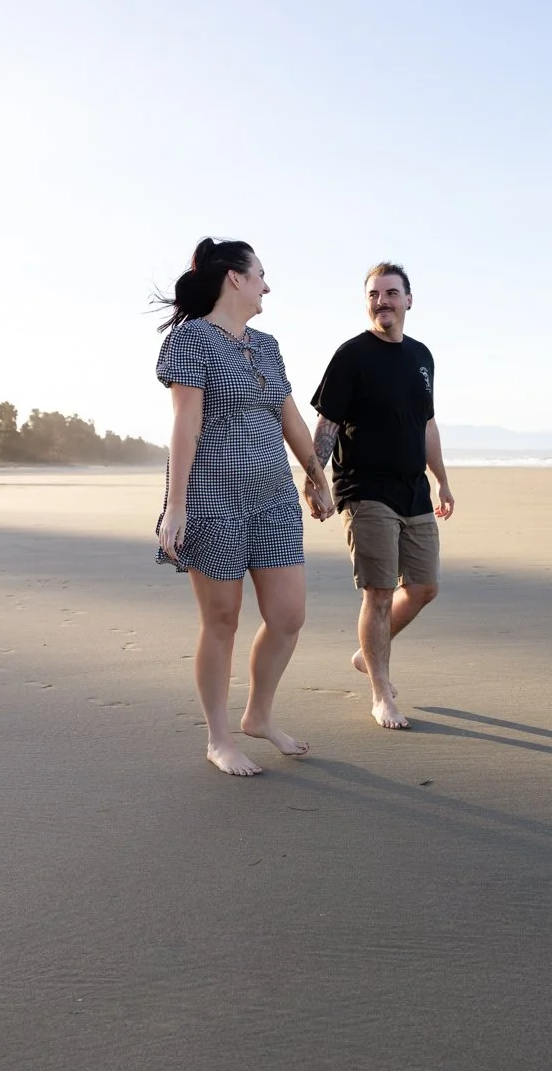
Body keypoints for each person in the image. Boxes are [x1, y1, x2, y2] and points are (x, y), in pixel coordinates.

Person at [154, 237, 334, 776]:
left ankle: (258, 716)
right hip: (213, 498)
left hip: (274, 497)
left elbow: (289, 415)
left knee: (288, 616)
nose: (267, 285)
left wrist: (315, 474)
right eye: (261, 274)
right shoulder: (191, 341)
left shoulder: (268, 345)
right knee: (223, 619)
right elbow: (185, 424)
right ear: (235, 277)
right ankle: (219, 738)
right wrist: (176, 506)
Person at [307, 262, 454, 730]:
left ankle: (367, 655)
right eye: (374, 294)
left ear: (409, 300)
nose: (382, 301)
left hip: (413, 489)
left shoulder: (422, 357)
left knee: (425, 587)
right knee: (380, 592)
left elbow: (426, 424)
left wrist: (442, 480)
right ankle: (380, 694)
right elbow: (327, 423)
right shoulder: (352, 356)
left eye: (391, 293)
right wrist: (315, 479)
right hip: (364, 489)